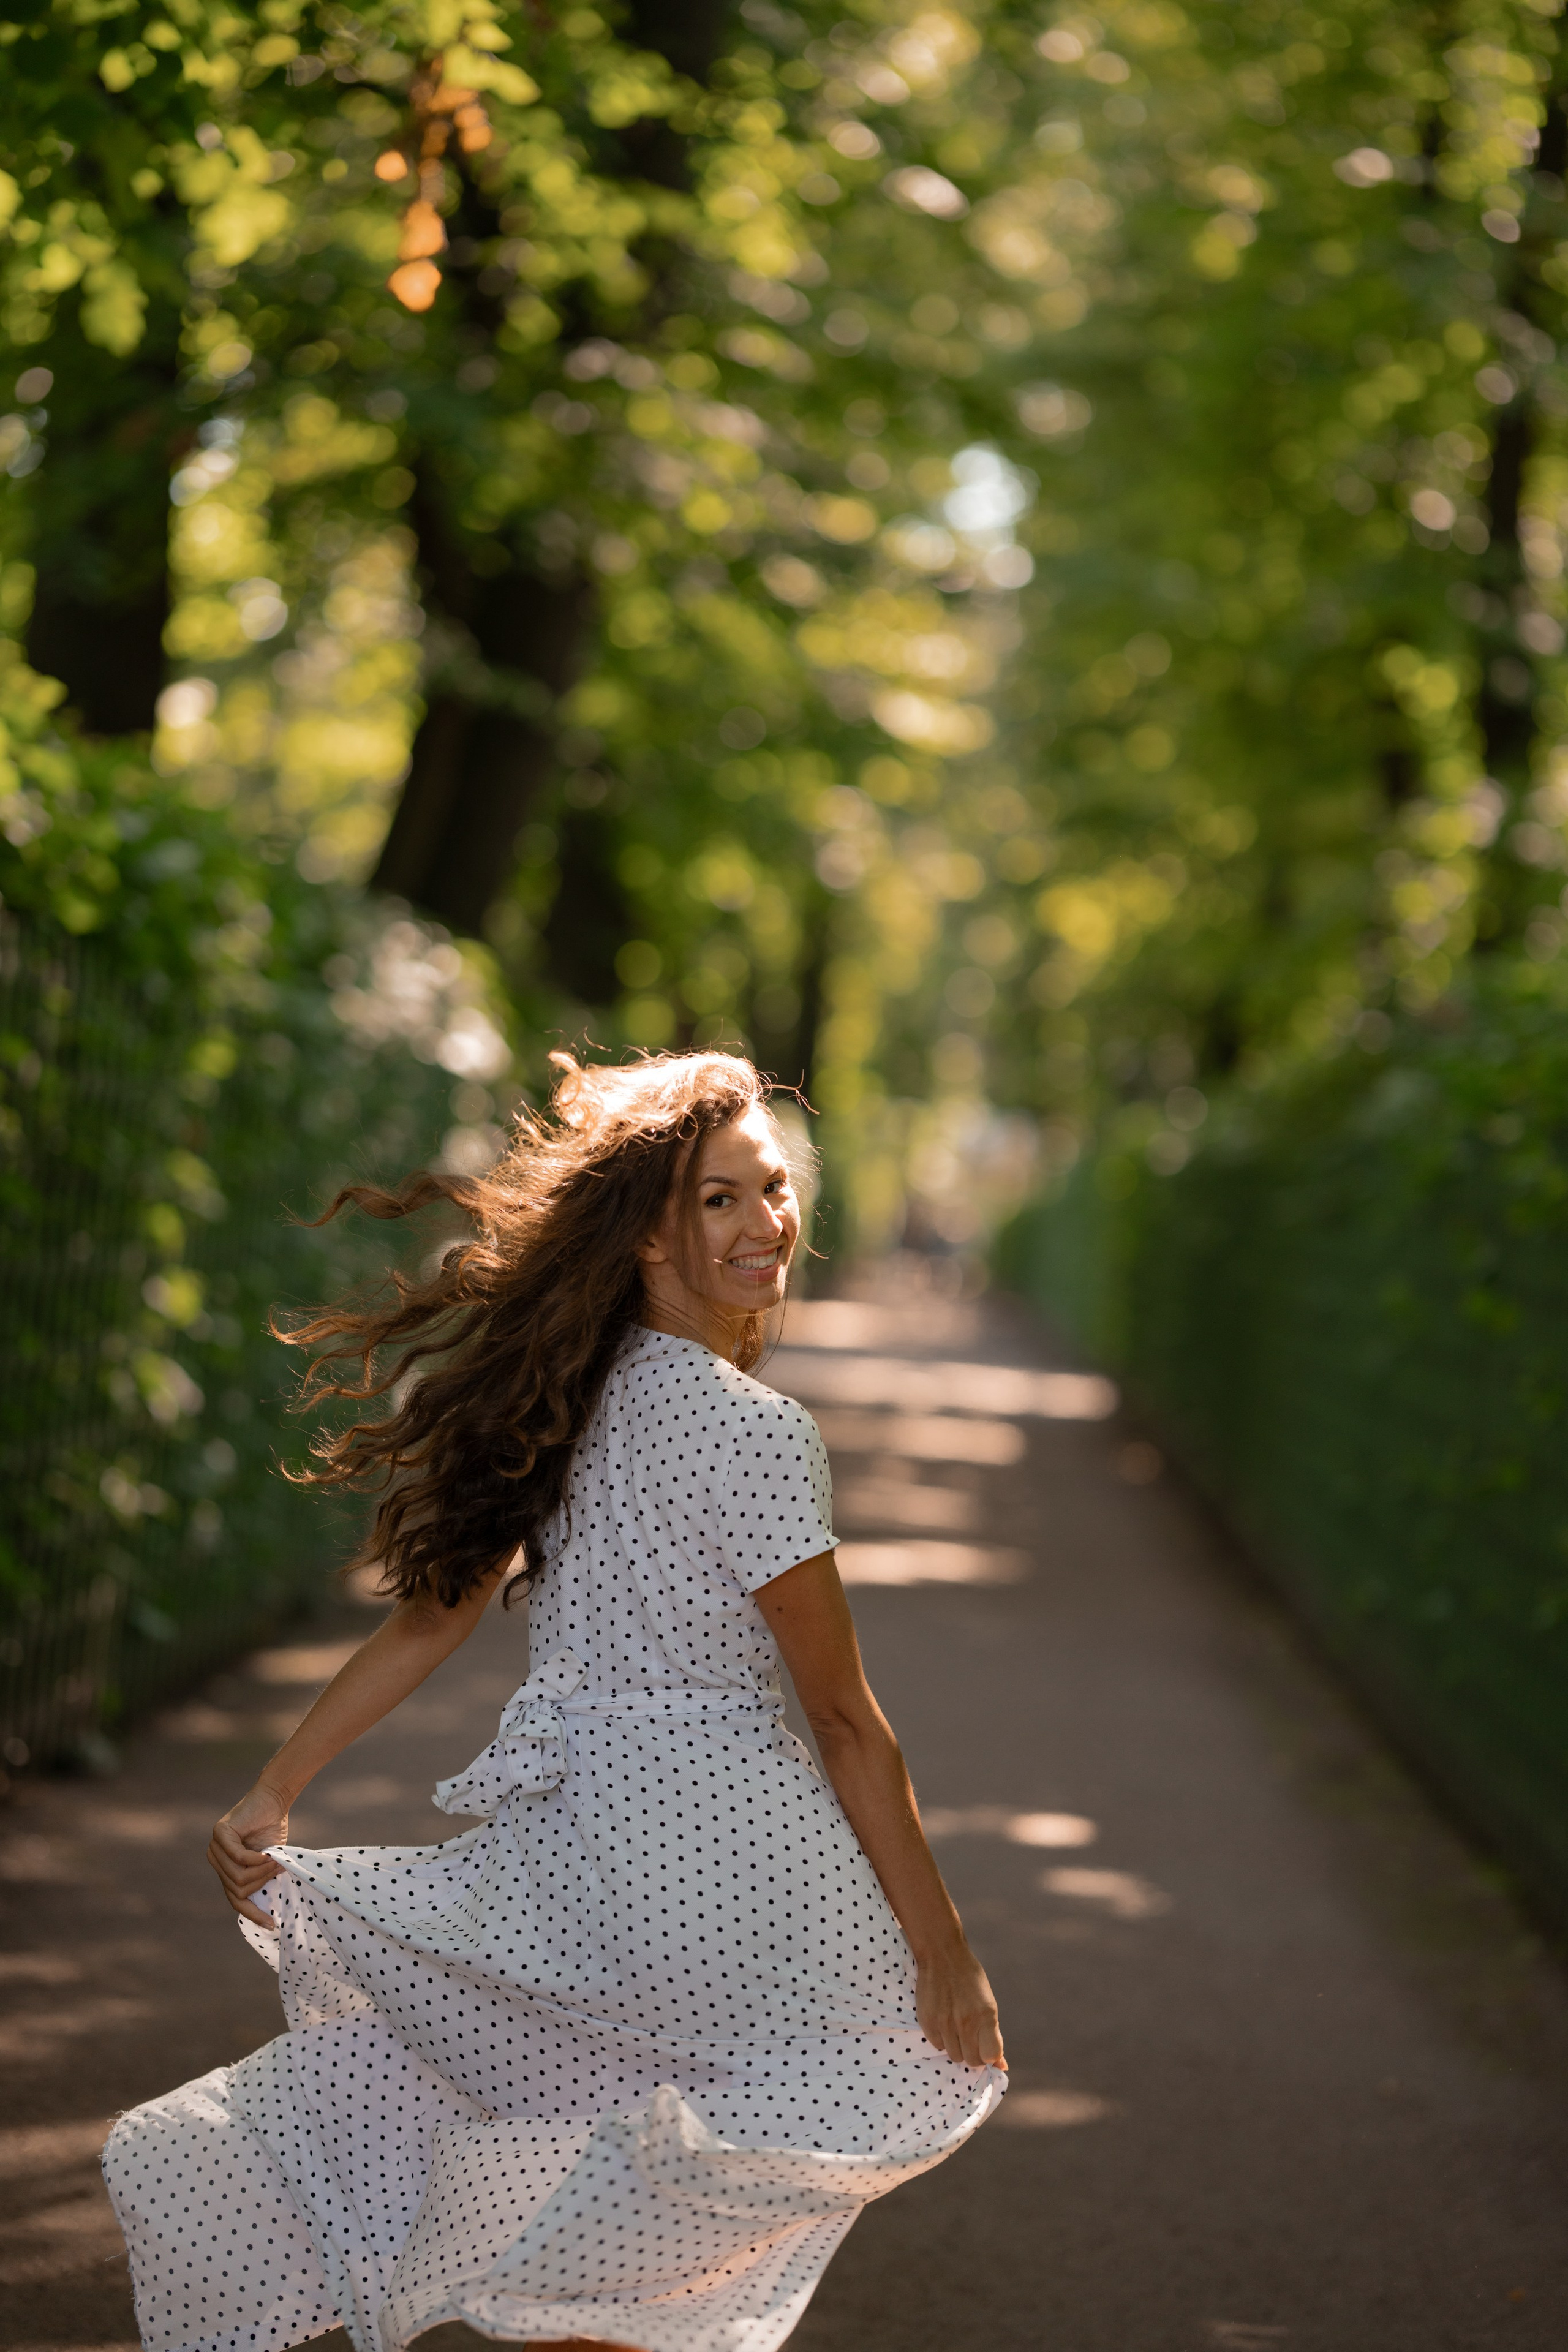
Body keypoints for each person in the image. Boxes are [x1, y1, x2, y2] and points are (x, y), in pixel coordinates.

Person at [103, 1048, 1006, 2352]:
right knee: (797, 2116)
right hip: (730, 1871)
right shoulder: (753, 1431)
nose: (765, 1225)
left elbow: (436, 1613)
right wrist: (944, 1952)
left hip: (582, 1858)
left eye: (771, 1190)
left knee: (586, 2180)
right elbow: (845, 1720)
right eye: (718, 1200)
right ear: (648, 1233)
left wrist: (275, 1784)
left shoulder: (567, 1399)